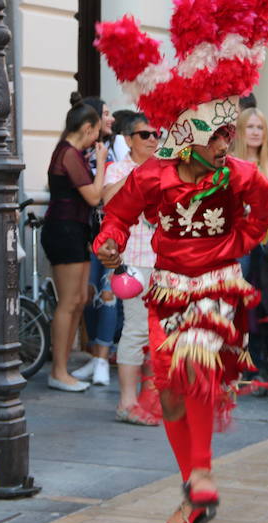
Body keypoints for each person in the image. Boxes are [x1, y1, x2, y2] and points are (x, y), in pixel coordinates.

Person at [94, 2, 268, 523]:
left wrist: (235, 243)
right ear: (189, 135)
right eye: (219, 135)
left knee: (198, 363)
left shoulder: (241, 176)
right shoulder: (153, 176)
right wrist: (108, 246)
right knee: (170, 390)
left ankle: (201, 471)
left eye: (230, 133)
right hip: (166, 289)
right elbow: (117, 217)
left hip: (217, 285)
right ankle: (193, 490)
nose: (228, 142)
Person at [101, 112, 162, 426]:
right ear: (127, 140)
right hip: (134, 261)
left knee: (160, 334)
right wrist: (140, 174)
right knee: (137, 329)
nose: (153, 139)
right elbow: (109, 201)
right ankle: (126, 403)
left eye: (156, 134)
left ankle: (150, 398)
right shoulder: (119, 169)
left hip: (165, 262)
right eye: (144, 135)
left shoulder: (167, 169)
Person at [41, 99, 106, 392]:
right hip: (63, 230)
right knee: (68, 302)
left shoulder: (74, 153)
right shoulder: (68, 153)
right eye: (98, 132)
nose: (99, 139)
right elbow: (93, 196)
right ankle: (58, 371)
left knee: (80, 298)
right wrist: (102, 163)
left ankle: (64, 368)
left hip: (75, 230)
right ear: (88, 128)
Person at [70, 94, 119, 387]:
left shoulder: (109, 151)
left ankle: (102, 357)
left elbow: (104, 194)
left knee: (109, 293)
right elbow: (92, 194)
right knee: (88, 296)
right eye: (106, 114)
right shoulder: (85, 154)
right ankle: (94, 356)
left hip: (112, 232)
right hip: (87, 233)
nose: (110, 119)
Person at [232, 107, 268, 199]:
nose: (255, 133)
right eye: (250, 127)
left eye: (260, 128)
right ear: (240, 131)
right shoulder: (229, 164)